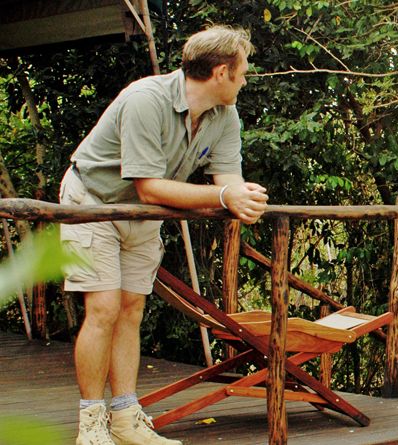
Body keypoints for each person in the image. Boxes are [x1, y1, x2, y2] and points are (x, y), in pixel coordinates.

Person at [61, 25, 268, 445]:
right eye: (243, 72)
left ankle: (125, 419)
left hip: (144, 216)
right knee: (103, 309)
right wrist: (224, 196)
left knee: (131, 310)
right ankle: (91, 424)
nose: (245, 81)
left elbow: (227, 180)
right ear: (222, 72)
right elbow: (149, 186)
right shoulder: (146, 99)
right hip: (93, 202)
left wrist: (243, 198)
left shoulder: (225, 115)